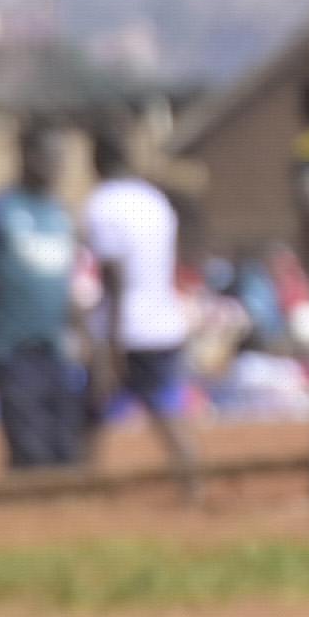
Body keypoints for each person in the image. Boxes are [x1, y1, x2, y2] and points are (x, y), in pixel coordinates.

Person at [79, 131, 209, 498]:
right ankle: (193, 483)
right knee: (166, 410)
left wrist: (111, 343)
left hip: (125, 329)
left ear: (96, 162)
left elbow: (113, 276)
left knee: (90, 411)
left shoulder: (101, 204)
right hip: (164, 323)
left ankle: (82, 488)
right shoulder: (155, 200)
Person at [0, 125, 94, 473]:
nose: (57, 165)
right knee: (29, 453)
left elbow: (73, 290)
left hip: (58, 351)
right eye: (49, 156)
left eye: (62, 158)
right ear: (27, 156)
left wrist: (87, 345)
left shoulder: (62, 214)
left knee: (66, 451)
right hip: (14, 350)